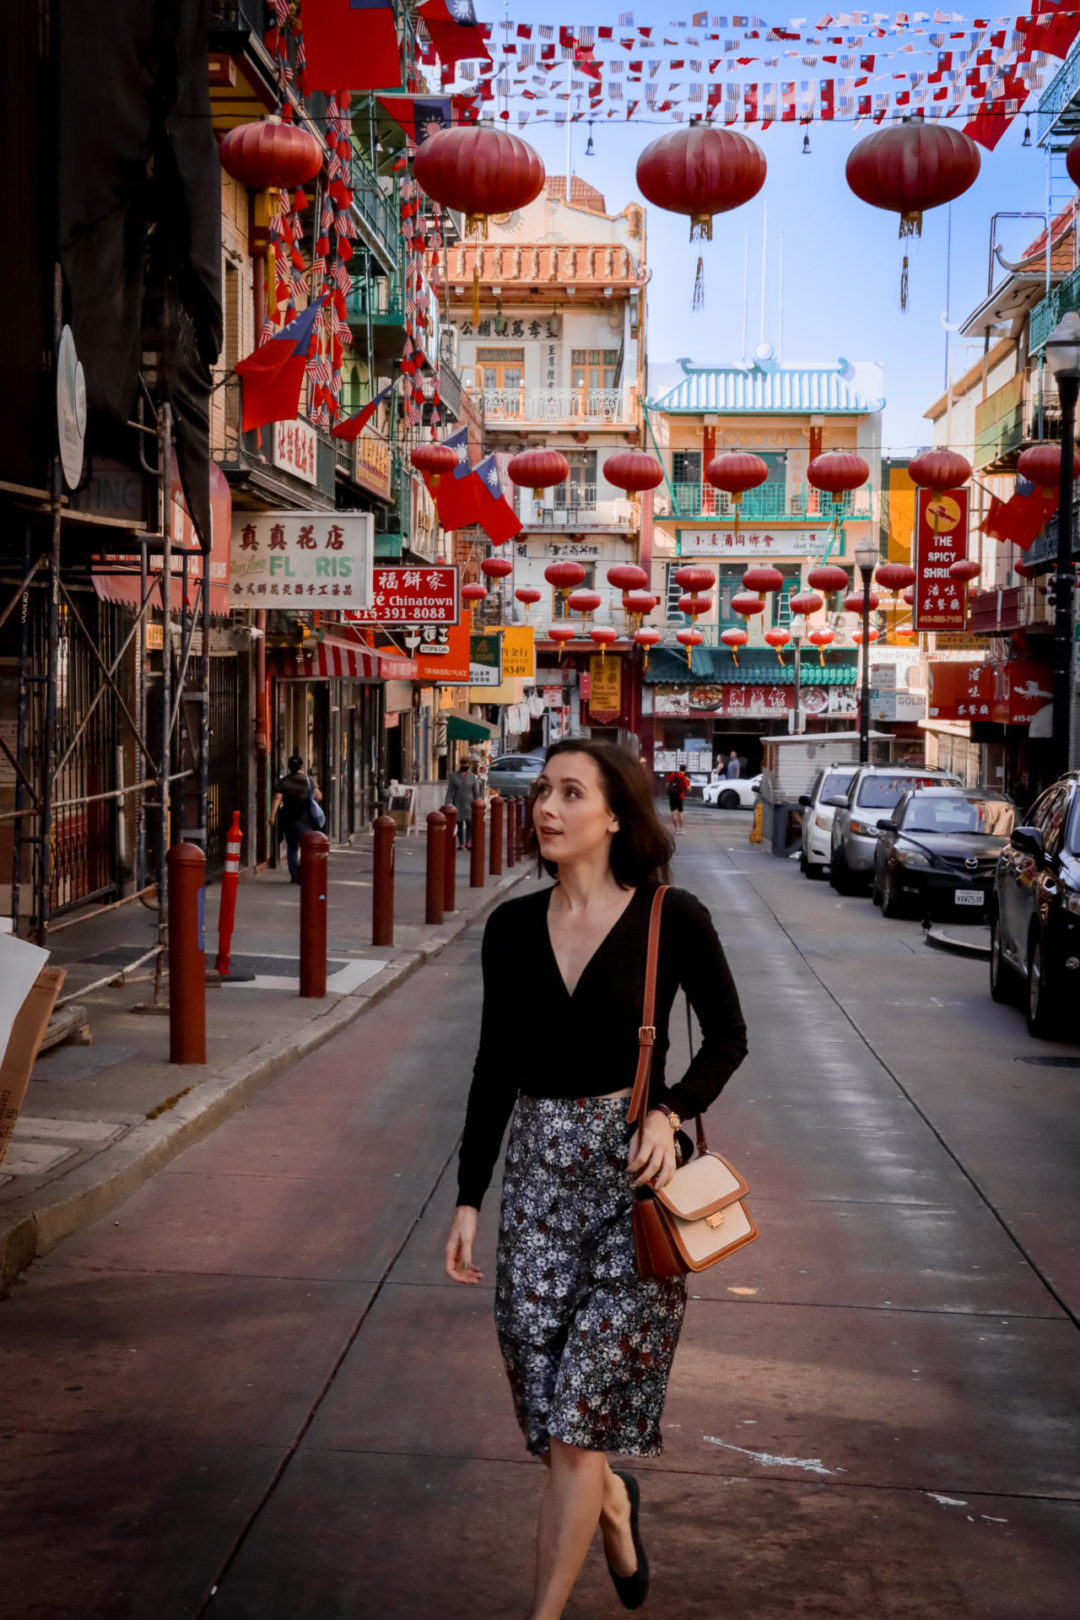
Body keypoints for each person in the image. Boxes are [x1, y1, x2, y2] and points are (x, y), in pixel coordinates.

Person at [445, 740, 747, 1620]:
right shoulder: (509, 929)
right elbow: (492, 1070)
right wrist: (469, 1198)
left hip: (631, 1196)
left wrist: (668, 1110)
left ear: (615, 815)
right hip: (536, 1193)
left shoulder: (670, 918)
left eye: (571, 793)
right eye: (543, 790)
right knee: (552, 1423)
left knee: (578, 1428)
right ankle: (613, 1503)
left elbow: (728, 1036)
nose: (547, 806)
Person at [270, 755, 323, 884]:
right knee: (306, 846)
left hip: (289, 818)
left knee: (292, 846)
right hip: (306, 818)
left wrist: (272, 815)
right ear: (301, 767)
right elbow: (318, 796)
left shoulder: (284, 781)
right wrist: (310, 799)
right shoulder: (308, 780)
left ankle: (294, 873)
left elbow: (277, 798)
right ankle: (303, 870)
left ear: (289, 767)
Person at [446, 756, 480, 849]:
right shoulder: (454, 776)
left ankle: (468, 842)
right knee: (459, 823)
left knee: (470, 823)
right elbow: (450, 791)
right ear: (460, 764)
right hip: (457, 803)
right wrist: (447, 804)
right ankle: (461, 843)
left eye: (467, 764)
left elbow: (476, 792)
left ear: (470, 765)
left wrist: (477, 804)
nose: (465, 765)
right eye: (463, 763)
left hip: (469, 804)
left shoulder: (472, 777)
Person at [665, 766, 691, 834]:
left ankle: (676, 830)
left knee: (674, 812)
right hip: (680, 796)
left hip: (672, 796)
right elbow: (689, 789)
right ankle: (682, 830)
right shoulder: (684, 778)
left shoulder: (672, 775)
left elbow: (667, 785)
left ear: (679, 769)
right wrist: (689, 781)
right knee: (680, 812)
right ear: (685, 770)